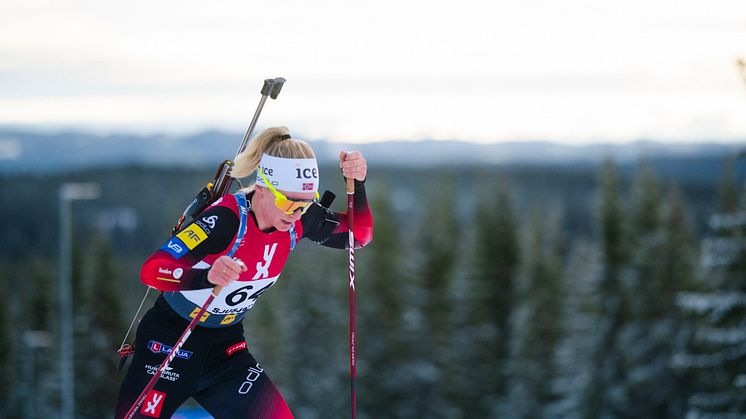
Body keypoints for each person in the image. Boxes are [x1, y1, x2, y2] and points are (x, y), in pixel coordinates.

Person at [115, 126, 373, 418]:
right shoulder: (225, 220)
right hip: (170, 342)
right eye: (288, 202)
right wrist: (205, 275)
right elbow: (153, 270)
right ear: (262, 189)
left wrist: (358, 185)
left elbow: (359, 236)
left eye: (304, 203)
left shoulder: (299, 217)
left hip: (225, 350)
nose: (295, 213)